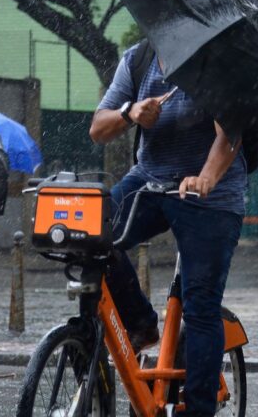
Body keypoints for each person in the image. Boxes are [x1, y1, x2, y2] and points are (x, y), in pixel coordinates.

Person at [89, 42, 246, 417]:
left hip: (210, 195)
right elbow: (98, 128)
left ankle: (198, 410)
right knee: (91, 235)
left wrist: (206, 177)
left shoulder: (217, 59)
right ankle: (141, 324)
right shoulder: (139, 59)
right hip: (149, 180)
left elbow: (231, 134)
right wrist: (130, 113)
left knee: (200, 306)